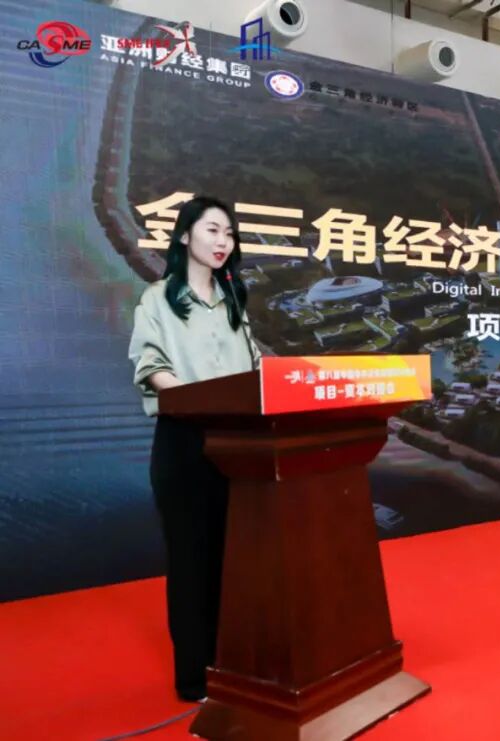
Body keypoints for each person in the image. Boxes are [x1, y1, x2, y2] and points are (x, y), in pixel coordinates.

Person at [127, 196, 260, 702]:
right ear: (185, 236)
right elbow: (151, 366)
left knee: (234, 561)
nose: (223, 241)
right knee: (191, 563)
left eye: (229, 232)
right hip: (184, 443)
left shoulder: (234, 300)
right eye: (212, 230)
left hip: (238, 446)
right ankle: (195, 679)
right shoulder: (158, 298)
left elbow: (253, 370)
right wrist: (198, 401)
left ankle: (234, 664)